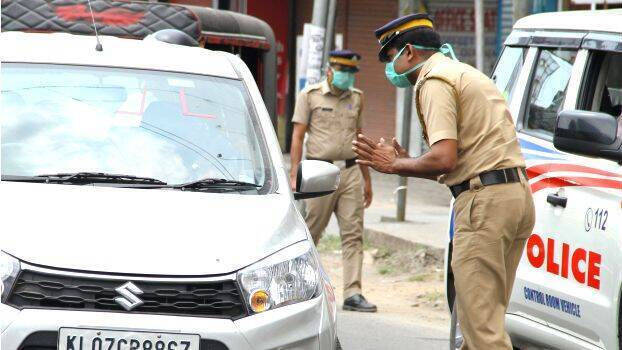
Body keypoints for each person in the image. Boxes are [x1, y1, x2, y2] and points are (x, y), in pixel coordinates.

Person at [352, 14, 535, 348]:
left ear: (408, 52)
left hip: (485, 205)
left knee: (481, 328)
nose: (390, 67)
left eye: (391, 56)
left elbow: (444, 158)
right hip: (514, 197)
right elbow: (461, 157)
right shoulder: (463, 72)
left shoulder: (433, 80)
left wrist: (394, 165)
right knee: (480, 318)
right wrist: (406, 159)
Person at [290, 50, 377, 312]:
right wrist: (295, 175)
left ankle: (353, 292)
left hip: (350, 172)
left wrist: (366, 178)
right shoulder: (310, 96)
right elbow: (297, 137)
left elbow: (360, 137)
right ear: (330, 70)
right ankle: (297, 286)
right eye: (343, 71)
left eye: (351, 72)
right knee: (311, 231)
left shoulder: (357, 98)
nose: (347, 76)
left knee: (353, 234)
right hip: (319, 172)